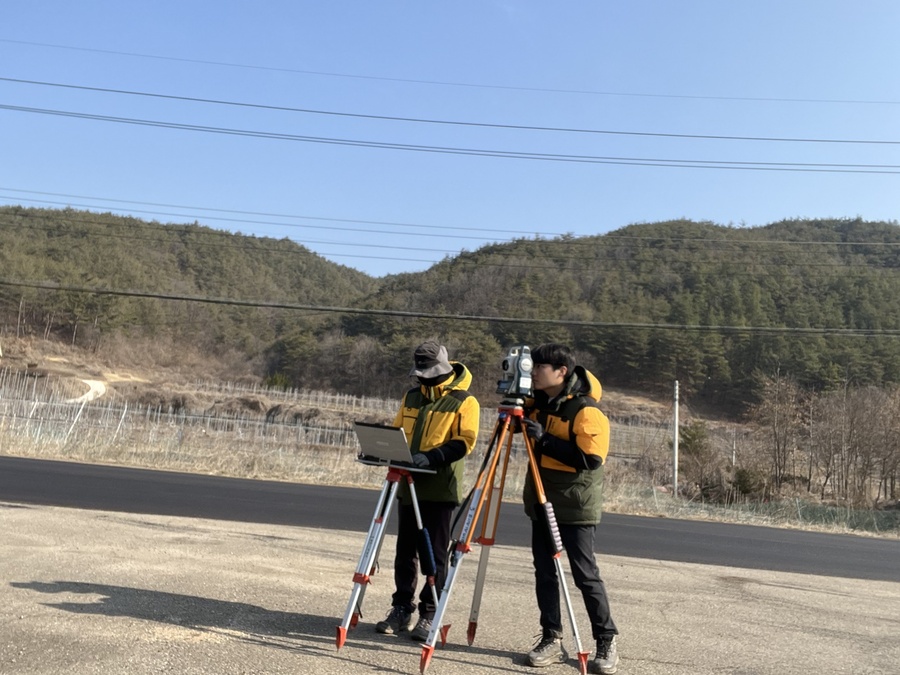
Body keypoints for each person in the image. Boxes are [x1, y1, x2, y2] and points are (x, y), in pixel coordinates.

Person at [520, 343, 620, 674]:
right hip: (542, 498)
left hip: (576, 505)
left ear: (561, 371)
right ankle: (551, 637)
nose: (533, 371)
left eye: (540, 366)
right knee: (545, 573)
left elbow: (589, 460)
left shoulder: (587, 411)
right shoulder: (537, 405)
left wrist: (544, 439)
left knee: (585, 575)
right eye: (532, 366)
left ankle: (606, 639)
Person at [375, 340, 480, 641]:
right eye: (420, 373)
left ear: (444, 370)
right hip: (408, 486)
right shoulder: (411, 397)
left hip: (439, 488)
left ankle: (429, 612)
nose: (423, 378)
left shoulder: (464, 401)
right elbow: (398, 433)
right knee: (404, 553)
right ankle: (401, 608)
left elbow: (464, 443)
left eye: (429, 373)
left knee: (434, 555)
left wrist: (431, 457)